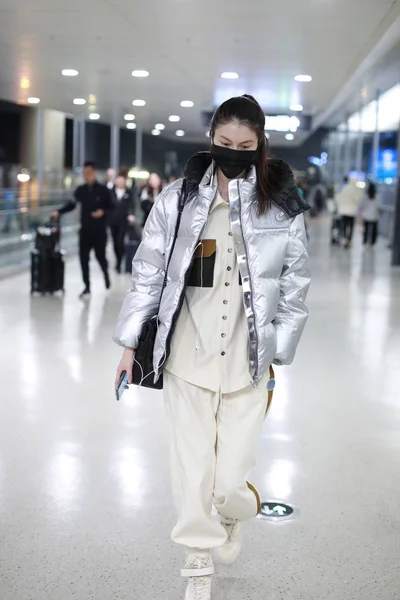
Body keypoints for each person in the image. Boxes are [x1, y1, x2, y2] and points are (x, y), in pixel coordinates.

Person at [113, 95, 310, 600]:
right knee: (191, 468)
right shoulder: (177, 199)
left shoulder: (282, 206)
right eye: (225, 144)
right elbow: (149, 273)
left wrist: (277, 353)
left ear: (260, 144)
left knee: (227, 482)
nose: (234, 153)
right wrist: (130, 344)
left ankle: (234, 511)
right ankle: (197, 563)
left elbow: (294, 285)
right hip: (186, 357)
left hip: (248, 364)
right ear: (212, 141)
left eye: (246, 146)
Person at [53, 161, 113, 298]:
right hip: (85, 230)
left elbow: (112, 207)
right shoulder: (81, 190)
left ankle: (105, 273)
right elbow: (71, 204)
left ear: (94, 173)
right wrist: (59, 212)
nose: (87, 176)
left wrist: (103, 212)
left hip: (99, 231)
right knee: (83, 259)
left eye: (89, 173)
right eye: (85, 173)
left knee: (100, 257)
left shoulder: (103, 191)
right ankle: (87, 286)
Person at [109, 174, 135, 273]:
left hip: (123, 221)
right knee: (115, 243)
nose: (120, 183)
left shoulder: (129, 192)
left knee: (120, 241)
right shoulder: (111, 192)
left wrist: (131, 214)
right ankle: (118, 258)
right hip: (112, 221)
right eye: (118, 181)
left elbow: (132, 204)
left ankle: (119, 263)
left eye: (122, 181)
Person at [335, 176, 362, 248]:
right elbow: (357, 200)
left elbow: (339, 198)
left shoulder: (344, 188)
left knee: (344, 225)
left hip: (343, 211)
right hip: (352, 212)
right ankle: (349, 240)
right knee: (351, 226)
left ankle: (344, 238)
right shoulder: (355, 190)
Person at [359, 182, 380, 247]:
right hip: (374, 215)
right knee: (374, 230)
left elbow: (362, 205)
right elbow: (378, 206)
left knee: (366, 229)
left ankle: (365, 241)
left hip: (366, 215)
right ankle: (372, 242)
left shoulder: (365, 196)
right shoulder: (377, 196)